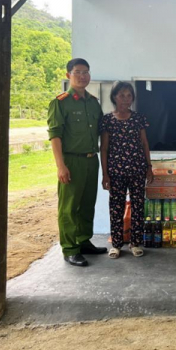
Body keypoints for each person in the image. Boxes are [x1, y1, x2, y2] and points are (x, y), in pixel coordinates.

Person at [48, 58, 106, 267]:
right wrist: (60, 165)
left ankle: (83, 241)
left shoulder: (92, 102)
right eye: (78, 72)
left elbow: (102, 131)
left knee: (87, 203)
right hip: (72, 160)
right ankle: (70, 248)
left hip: (92, 160)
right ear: (68, 75)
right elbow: (55, 135)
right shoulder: (61, 102)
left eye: (86, 72)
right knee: (69, 206)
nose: (82, 76)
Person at [100, 81, 153, 259]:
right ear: (114, 97)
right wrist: (105, 173)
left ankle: (135, 243)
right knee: (116, 207)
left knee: (138, 206)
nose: (125, 99)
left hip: (137, 170)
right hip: (115, 172)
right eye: (122, 95)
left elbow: (145, 143)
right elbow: (104, 148)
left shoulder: (138, 118)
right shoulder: (107, 120)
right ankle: (116, 245)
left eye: (129, 95)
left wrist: (149, 167)